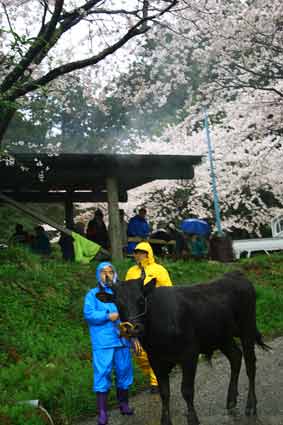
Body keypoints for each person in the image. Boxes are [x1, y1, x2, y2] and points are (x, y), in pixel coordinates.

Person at [83, 262, 134, 425]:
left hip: (122, 339)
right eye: (104, 272)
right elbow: (89, 314)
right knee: (102, 373)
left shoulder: (121, 292)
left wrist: (133, 337)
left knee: (124, 371)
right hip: (103, 342)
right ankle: (103, 412)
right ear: (98, 274)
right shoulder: (92, 294)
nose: (107, 274)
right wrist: (107, 315)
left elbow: (130, 314)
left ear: (115, 274)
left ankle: (124, 404)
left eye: (110, 272)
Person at [125, 241, 173, 394]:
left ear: (148, 253)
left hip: (156, 313)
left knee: (156, 348)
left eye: (141, 252)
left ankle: (156, 381)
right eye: (136, 252)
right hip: (138, 316)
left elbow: (168, 291)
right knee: (139, 352)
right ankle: (154, 375)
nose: (137, 255)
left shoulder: (159, 270)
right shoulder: (131, 271)